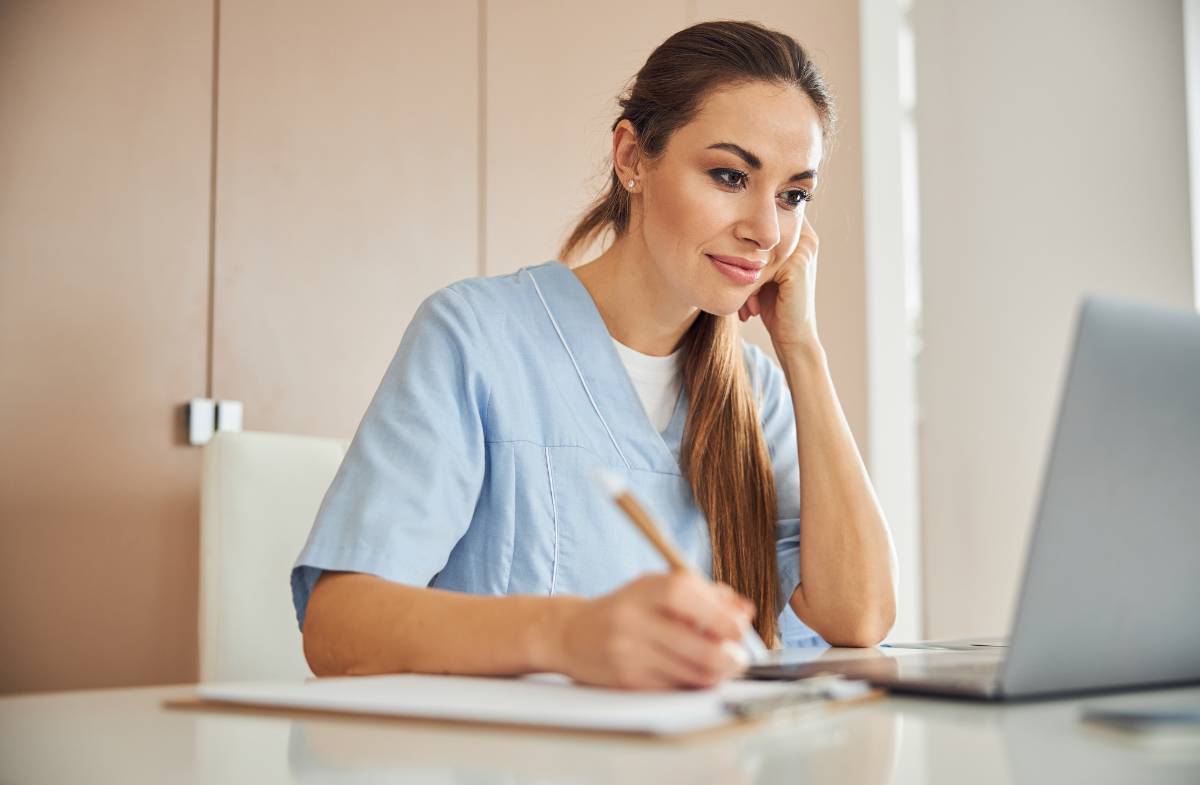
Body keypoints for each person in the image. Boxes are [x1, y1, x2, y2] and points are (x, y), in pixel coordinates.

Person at [293, 20, 897, 690]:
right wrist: (566, 636)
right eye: (729, 175)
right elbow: (336, 627)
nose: (766, 230)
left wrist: (801, 347)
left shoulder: (757, 393)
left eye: (793, 196)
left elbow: (860, 618)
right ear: (632, 158)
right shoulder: (476, 338)